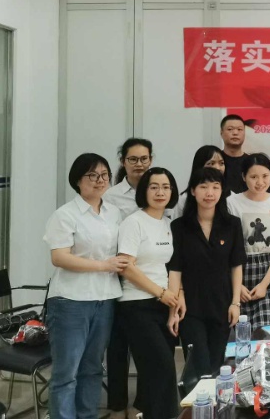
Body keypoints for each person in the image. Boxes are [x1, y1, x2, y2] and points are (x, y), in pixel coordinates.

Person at [43, 153, 129, 419]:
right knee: (66, 373)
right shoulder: (65, 214)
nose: (100, 180)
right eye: (92, 175)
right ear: (77, 180)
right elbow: (59, 257)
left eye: (104, 175)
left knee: (92, 368)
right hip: (71, 301)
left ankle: (87, 415)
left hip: (105, 298)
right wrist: (103, 265)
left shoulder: (114, 213)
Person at [167, 167, 245, 377]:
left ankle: (213, 399)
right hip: (190, 307)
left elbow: (236, 265)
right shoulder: (179, 227)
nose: (210, 193)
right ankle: (194, 399)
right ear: (193, 191)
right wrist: (178, 298)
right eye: (203, 187)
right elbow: (175, 268)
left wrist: (235, 303)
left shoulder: (232, 224)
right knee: (198, 366)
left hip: (222, 304)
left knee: (217, 366)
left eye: (215, 187)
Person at [116, 167, 180, 419]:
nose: (160, 192)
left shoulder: (168, 223)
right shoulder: (134, 222)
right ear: (144, 190)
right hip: (136, 304)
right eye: (154, 187)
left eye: (165, 187)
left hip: (163, 305)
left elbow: (172, 267)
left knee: (154, 374)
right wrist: (160, 292)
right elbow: (126, 266)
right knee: (162, 369)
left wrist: (172, 303)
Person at [228, 154, 270, 330]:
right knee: (240, 330)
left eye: (265, 176)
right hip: (239, 267)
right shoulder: (232, 202)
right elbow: (230, 247)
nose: (260, 182)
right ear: (244, 177)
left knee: (263, 330)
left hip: (268, 270)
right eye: (253, 177)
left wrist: (264, 284)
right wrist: (237, 286)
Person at [172, 145, 228, 218]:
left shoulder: (230, 197)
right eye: (211, 163)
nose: (218, 168)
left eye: (221, 163)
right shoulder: (184, 199)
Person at [104, 138, 154, 219]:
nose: (139, 164)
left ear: (150, 160)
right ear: (123, 161)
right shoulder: (110, 196)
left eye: (144, 159)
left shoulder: (160, 191)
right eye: (133, 159)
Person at [220, 114, 250, 194]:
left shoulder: (251, 162)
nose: (235, 133)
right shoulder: (215, 161)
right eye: (230, 129)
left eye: (239, 129)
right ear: (221, 133)